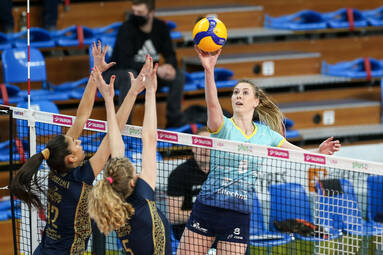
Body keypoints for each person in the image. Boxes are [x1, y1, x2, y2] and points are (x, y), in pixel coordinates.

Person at [177, 46, 341, 255]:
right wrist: (209, 70)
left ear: (256, 101)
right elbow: (212, 105)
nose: (239, 96)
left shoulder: (267, 134)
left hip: (238, 214)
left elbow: (297, 155)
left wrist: (318, 153)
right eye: (236, 92)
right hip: (208, 207)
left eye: (245, 93)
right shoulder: (222, 126)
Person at [9, 41, 145, 254]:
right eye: (76, 143)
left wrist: (95, 74)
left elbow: (81, 117)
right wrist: (132, 93)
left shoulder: (55, 167)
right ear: (70, 159)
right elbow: (113, 133)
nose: (79, 140)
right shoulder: (80, 179)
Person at [88, 55, 172, 254]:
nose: (136, 171)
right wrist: (151, 91)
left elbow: (116, 143)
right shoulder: (142, 199)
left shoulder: (117, 199)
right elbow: (149, 140)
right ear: (133, 183)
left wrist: (110, 100)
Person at [106, 0, 186, 128]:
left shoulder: (160, 27)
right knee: (130, 75)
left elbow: (170, 54)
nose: (136, 15)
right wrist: (155, 70)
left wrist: (170, 66)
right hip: (121, 73)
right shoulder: (126, 28)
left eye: (140, 12)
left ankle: (174, 122)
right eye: (134, 12)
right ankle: (125, 126)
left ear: (151, 13)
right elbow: (123, 61)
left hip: (149, 74)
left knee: (178, 75)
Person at [167, 127, 210, 240]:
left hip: (214, 229)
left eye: (208, 145)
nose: (204, 149)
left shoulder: (220, 172)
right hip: (187, 233)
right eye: (200, 144)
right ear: (193, 147)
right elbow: (173, 216)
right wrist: (206, 214)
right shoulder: (179, 174)